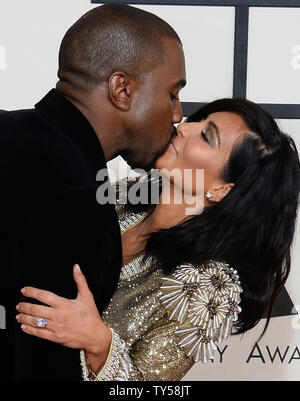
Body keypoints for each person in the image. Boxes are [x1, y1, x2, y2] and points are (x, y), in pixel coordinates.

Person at [15, 99, 300, 381]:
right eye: (198, 120)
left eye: (206, 135)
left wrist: (99, 343)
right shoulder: (116, 198)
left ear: (222, 189)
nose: (185, 128)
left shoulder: (205, 289)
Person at [0, 4, 186, 381]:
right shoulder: (78, 203)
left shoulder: (9, 128)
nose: (178, 114)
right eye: (172, 93)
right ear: (122, 90)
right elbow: (42, 364)